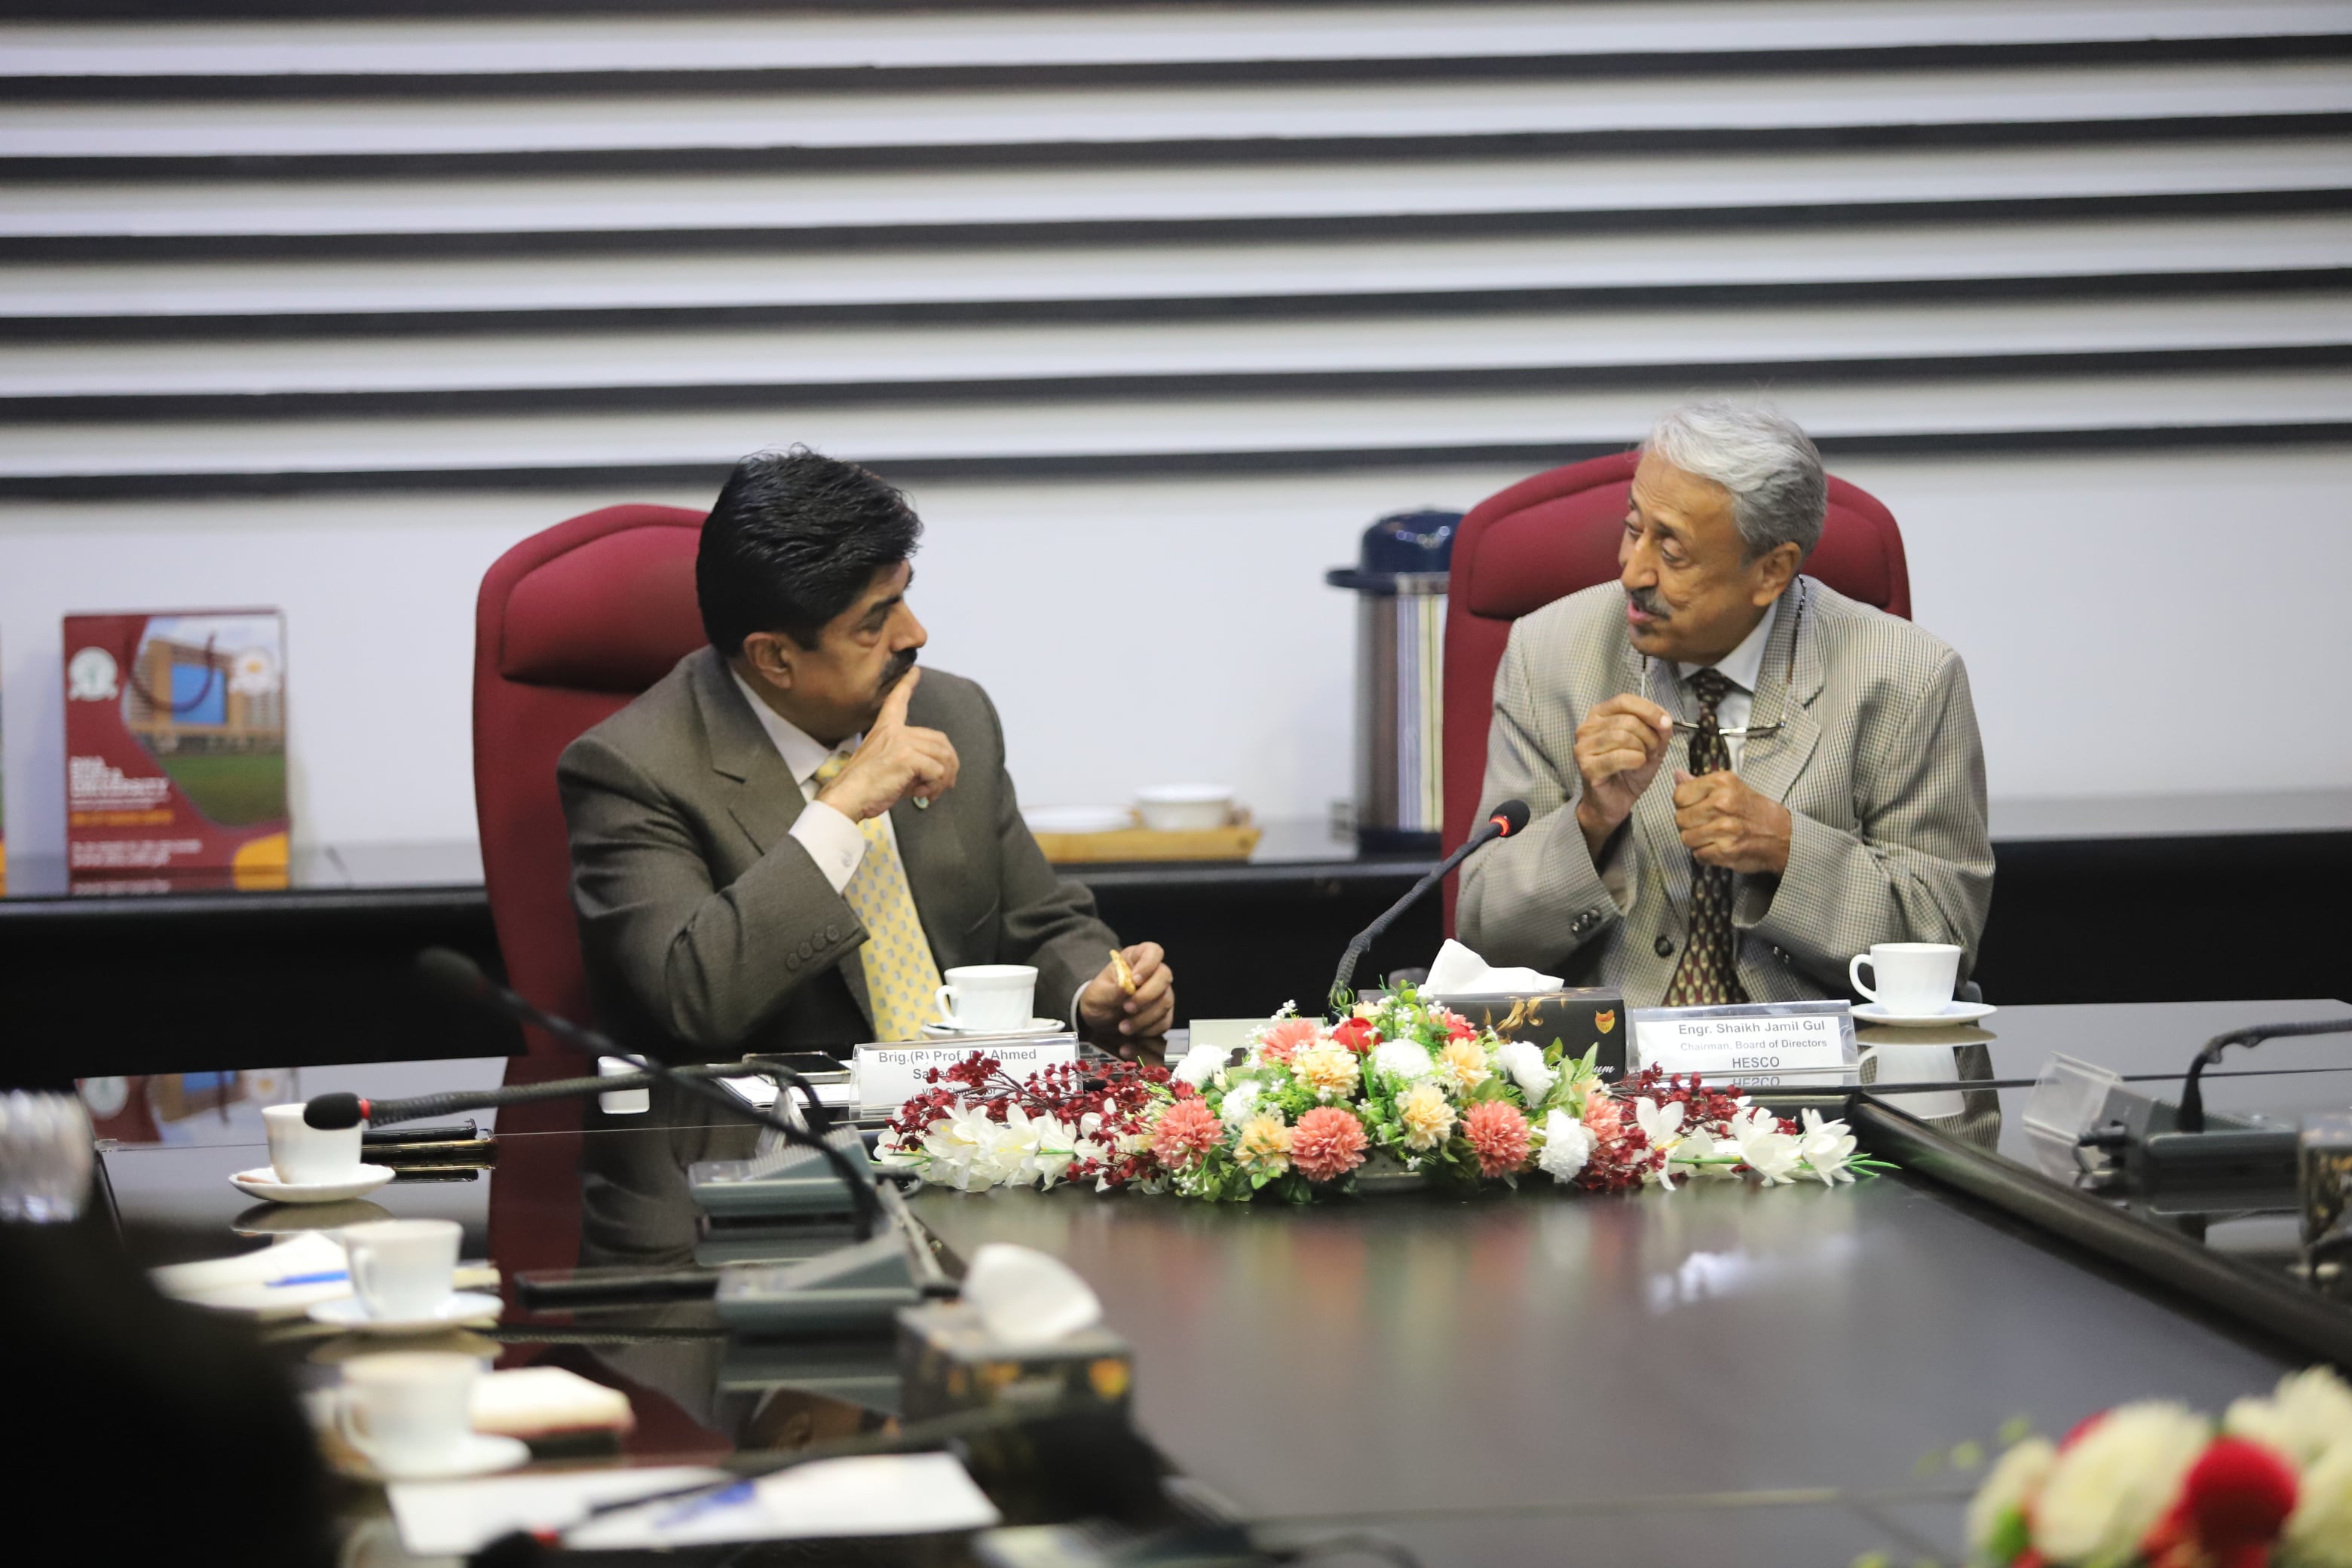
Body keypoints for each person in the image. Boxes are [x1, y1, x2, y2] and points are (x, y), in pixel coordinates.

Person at [558, 448, 1174, 1259]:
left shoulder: (954, 710)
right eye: (874, 622)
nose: (915, 635)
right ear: (775, 657)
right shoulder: (631, 768)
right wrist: (841, 810)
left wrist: (1095, 990)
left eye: (905, 597)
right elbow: (693, 996)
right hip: (768, 1199)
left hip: (985, 1155)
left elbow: (1040, 919)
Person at [1457, 399, 1992, 1007]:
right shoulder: (1549, 653)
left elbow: (1941, 938)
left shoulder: (1907, 679)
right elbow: (1482, 935)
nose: (1633, 572)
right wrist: (1589, 823)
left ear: (1771, 572)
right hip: (1609, 1057)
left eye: (1672, 553)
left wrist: (1787, 848)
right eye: (1633, 529)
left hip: (1819, 1057)